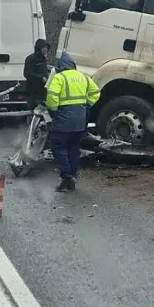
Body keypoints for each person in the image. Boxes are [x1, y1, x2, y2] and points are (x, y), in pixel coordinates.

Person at [44, 52, 100, 192]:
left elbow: (52, 98)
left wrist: (53, 111)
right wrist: (86, 105)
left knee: (58, 145)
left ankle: (67, 176)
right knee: (73, 148)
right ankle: (72, 177)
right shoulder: (83, 77)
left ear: (60, 66)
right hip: (80, 120)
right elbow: (96, 92)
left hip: (64, 118)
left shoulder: (59, 78)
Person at [23, 39, 52, 107]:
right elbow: (26, 73)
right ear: (39, 48)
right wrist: (40, 78)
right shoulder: (30, 59)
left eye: (47, 48)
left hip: (43, 92)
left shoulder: (43, 59)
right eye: (44, 48)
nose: (46, 50)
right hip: (33, 93)